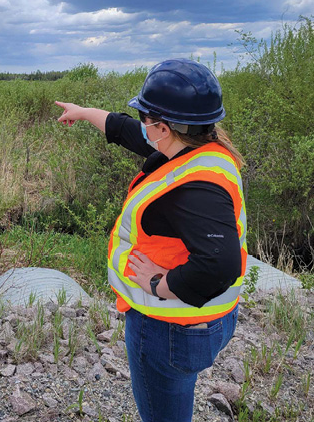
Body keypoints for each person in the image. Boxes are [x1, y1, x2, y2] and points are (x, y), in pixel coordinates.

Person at [56, 58, 247, 422]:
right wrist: (83, 112)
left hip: (169, 329)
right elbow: (126, 130)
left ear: (163, 128)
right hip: (204, 320)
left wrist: (160, 284)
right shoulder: (200, 152)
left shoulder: (195, 188)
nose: (141, 124)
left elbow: (220, 265)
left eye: (145, 117)